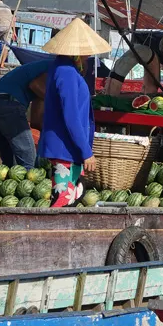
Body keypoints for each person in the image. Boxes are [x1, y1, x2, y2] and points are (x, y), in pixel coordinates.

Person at [37, 18, 110, 207]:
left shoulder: (63, 69)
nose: (87, 57)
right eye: (85, 54)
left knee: (73, 196)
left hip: (68, 148)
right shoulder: (66, 72)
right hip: (65, 148)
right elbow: (71, 117)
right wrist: (86, 152)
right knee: (62, 201)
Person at [0, 60, 49, 169]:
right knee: (29, 162)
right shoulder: (55, 68)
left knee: (10, 165)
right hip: (9, 106)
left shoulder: (40, 67)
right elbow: (35, 85)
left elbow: (35, 122)